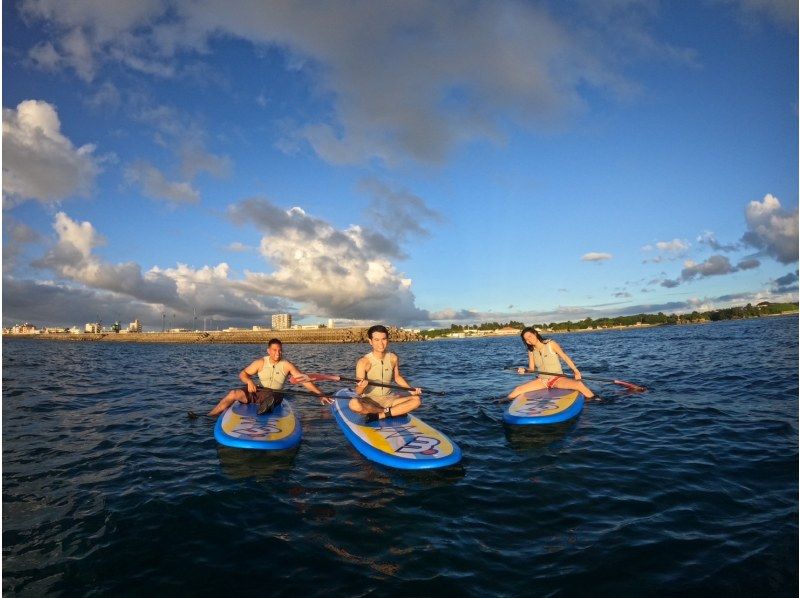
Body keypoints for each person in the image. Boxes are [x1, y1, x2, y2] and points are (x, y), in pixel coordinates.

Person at [207, 338, 332, 416]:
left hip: (275, 394)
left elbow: (303, 380)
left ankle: (265, 409)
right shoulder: (260, 362)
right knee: (234, 393)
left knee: (272, 397)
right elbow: (243, 374)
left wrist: (320, 394)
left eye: (280, 350)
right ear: (268, 351)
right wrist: (249, 381)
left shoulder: (287, 365)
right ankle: (210, 416)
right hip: (259, 391)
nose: (278, 353)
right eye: (274, 350)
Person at [349, 325, 422, 422]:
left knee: (416, 400)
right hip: (370, 401)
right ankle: (390, 412)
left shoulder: (393, 358)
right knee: (353, 404)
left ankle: (380, 415)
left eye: (383, 339)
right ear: (370, 341)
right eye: (376, 340)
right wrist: (362, 386)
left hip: (390, 399)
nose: (381, 343)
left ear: (387, 340)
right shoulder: (363, 362)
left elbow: (397, 377)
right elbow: (358, 392)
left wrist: (411, 390)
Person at [508, 327, 598, 400]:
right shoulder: (531, 351)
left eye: (530, 336)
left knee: (579, 385)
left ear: (535, 334)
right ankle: (502, 402)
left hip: (557, 378)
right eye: (526, 339)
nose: (529, 340)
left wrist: (576, 371)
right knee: (517, 390)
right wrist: (525, 370)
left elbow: (565, 357)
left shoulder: (550, 344)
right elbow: (531, 369)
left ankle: (596, 400)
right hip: (542, 381)